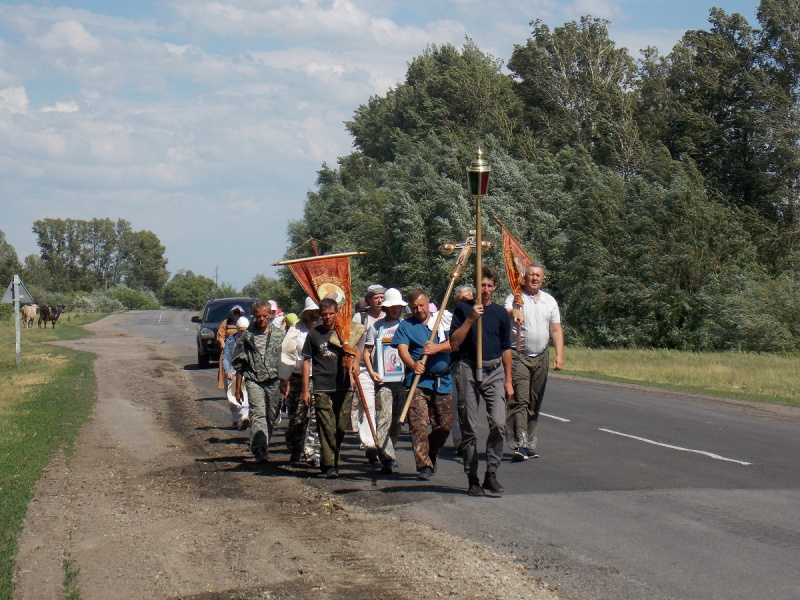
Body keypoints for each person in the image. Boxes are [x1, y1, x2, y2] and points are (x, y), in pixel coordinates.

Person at [449, 266, 513, 496]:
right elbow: (454, 342)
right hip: (467, 368)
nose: (485, 290)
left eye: (489, 285)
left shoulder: (500, 313)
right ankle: (472, 476)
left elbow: (506, 348)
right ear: (477, 287)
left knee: (498, 423)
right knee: (469, 426)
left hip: (493, 369)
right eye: (481, 285)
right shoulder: (462, 309)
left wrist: (508, 381)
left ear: (494, 288)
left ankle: (492, 473)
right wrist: (470, 319)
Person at [391, 289, 453, 481]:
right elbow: (402, 350)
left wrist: (437, 348)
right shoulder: (406, 326)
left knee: (444, 426)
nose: (419, 310)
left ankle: (431, 452)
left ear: (428, 303)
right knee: (418, 425)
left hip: (443, 381)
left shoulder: (442, 321)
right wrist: (412, 364)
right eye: (415, 307)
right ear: (410, 307)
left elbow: (455, 343)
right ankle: (423, 465)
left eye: (422, 305)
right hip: (417, 382)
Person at [505, 264, 564, 461]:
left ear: (543, 279)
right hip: (519, 355)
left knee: (534, 400)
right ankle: (519, 444)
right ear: (525, 277)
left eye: (538, 275)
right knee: (521, 399)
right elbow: (507, 312)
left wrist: (559, 355)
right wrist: (514, 313)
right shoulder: (516, 297)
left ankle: (530, 443)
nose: (534, 278)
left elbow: (555, 329)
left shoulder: (549, 301)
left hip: (541, 356)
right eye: (531, 275)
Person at [301, 297, 362, 478]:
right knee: (326, 427)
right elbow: (306, 361)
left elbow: (356, 350)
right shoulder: (314, 334)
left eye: (331, 313)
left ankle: (332, 458)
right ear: (320, 315)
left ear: (336, 313)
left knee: (340, 428)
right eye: (324, 314)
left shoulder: (343, 332)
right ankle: (330, 465)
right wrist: (306, 389)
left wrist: (356, 364)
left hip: (343, 387)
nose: (328, 317)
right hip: (322, 387)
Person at [232, 300, 285, 463]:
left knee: (271, 415)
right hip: (253, 379)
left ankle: (264, 443)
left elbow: (286, 360)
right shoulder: (247, 336)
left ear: (270, 315)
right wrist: (238, 386)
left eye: (264, 316)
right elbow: (240, 361)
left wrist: (285, 382)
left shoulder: (279, 335)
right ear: (253, 316)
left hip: (274, 380)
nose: (261, 319)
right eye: (258, 316)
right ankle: (259, 448)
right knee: (258, 413)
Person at [362, 288, 407, 475]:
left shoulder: (405, 326)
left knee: (397, 420)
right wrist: (372, 372)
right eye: (392, 306)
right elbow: (367, 351)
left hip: (402, 381)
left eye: (398, 306)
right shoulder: (376, 327)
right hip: (383, 381)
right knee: (384, 418)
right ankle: (387, 457)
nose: (395, 309)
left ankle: (390, 448)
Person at [279, 297, 321, 466]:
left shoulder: (326, 329)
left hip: (319, 378)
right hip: (296, 377)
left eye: (317, 311)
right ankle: (295, 447)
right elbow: (287, 353)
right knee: (297, 418)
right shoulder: (297, 329)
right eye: (311, 312)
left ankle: (312, 454)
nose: (315, 315)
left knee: (316, 418)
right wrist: (284, 378)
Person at [352, 284, 386, 461]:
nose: (379, 300)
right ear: (369, 299)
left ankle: (384, 443)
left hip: (386, 370)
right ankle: (370, 443)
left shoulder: (389, 315)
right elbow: (353, 341)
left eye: (382, 297)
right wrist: (354, 366)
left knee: (384, 407)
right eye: (375, 297)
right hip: (365, 369)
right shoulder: (361, 317)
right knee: (368, 406)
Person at [450, 285, 474, 451]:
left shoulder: (479, 314)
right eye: (462, 300)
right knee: (458, 404)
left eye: (468, 299)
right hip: (454, 363)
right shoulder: (450, 317)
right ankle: (460, 441)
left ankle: (471, 438)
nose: (466, 302)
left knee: (471, 405)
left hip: (474, 363)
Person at [222, 316, 250, 429]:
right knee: (231, 397)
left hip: (245, 372)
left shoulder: (250, 340)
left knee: (245, 394)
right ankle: (235, 420)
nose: (243, 333)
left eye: (245, 330)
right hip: (232, 372)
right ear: (237, 329)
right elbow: (226, 357)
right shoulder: (230, 340)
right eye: (241, 330)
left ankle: (245, 417)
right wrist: (227, 370)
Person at [217, 305, 245, 390]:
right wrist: (222, 343)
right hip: (228, 347)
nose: (236, 314)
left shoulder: (243, 323)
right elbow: (220, 335)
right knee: (226, 366)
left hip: (240, 348)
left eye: (238, 312)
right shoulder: (226, 323)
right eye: (235, 312)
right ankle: (227, 387)